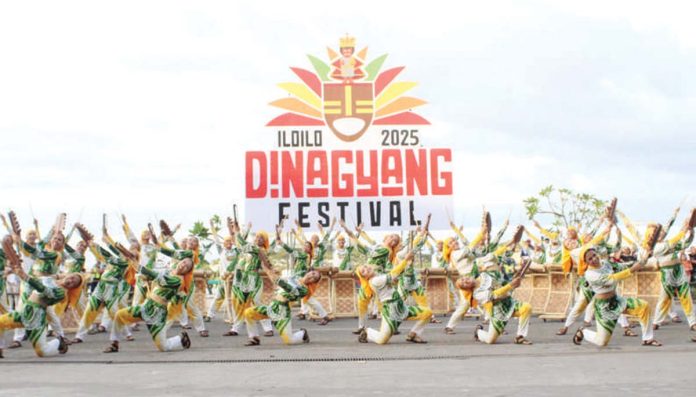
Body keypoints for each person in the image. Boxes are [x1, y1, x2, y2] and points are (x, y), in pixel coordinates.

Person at [0, 236, 80, 358]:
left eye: (74, 282)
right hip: (24, 313)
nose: (71, 280)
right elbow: (33, 273)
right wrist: (16, 268)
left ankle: (59, 342)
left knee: (42, 352)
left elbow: (44, 290)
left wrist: (19, 241)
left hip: (36, 320)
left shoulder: (61, 293)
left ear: (72, 288)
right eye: (72, 277)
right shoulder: (49, 277)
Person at [572, 246, 661, 347]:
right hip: (604, 308)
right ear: (586, 262)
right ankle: (583, 331)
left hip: (617, 301)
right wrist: (635, 268)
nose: (594, 259)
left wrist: (643, 260)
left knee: (644, 306)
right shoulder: (590, 274)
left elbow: (623, 266)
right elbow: (613, 278)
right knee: (602, 342)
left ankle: (647, 339)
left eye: (594, 255)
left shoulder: (606, 263)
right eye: (590, 259)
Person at [104, 256, 194, 353]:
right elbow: (152, 276)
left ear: (187, 272)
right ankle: (114, 344)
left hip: (158, 313)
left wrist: (138, 265)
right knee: (119, 315)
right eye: (184, 262)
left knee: (163, 347)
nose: (183, 265)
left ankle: (180, 339)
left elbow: (156, 276)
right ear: (180, 261)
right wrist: (144, 277)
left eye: (186, 267)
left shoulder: (178, 281)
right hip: (146, 306)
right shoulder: (168, 271)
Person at [357, 248, 432, 344]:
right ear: (365, 278)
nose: (366, 269)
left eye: (365, 267)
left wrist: (408, 263)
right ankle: (368, 332)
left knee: (427, 313)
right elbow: (394, 274)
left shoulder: (379, 276)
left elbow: (395, 276)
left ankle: (414, 334)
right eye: (363, 271)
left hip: (401, 308)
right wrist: (406, 260)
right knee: (382, 340)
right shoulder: (375, 281)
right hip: (390, 312)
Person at [462, 253, 533, 345]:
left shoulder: (485, 274)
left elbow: (494, 262)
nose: (465, 280)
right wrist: (511, 285)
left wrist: (515, 279)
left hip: (509, 303)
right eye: (463, 283)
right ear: (467, 288)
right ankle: (478, 332)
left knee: (526, 307)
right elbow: (494, 295)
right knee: (490, 340)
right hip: (497, 312)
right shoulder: (477, 294)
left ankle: (520, 336)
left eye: (463, 279)